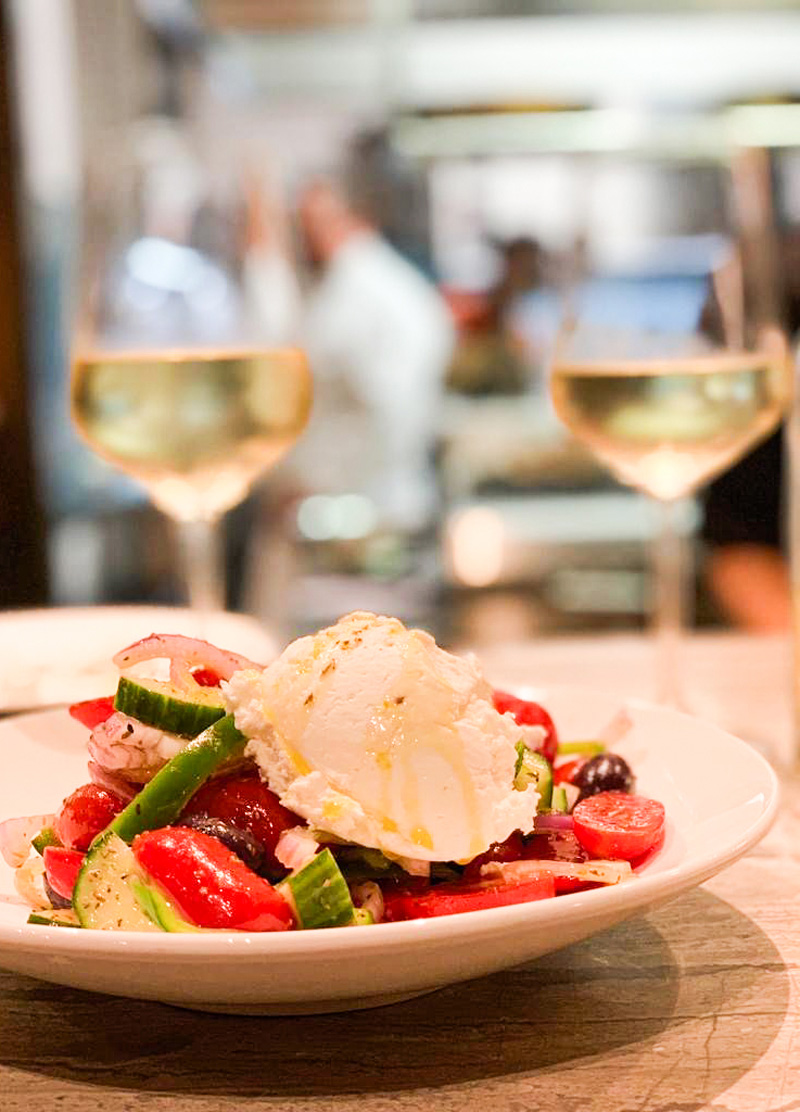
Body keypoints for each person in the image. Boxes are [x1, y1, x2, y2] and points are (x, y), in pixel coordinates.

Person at [295, 179, 455, 533]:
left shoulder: (360, 289)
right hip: (372, 494)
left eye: (320, 221)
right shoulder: (381, 279)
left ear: (359, 218)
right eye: (305, 223)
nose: (310, 235)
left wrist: (332, 480)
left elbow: (392, 401)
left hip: (364, 504)